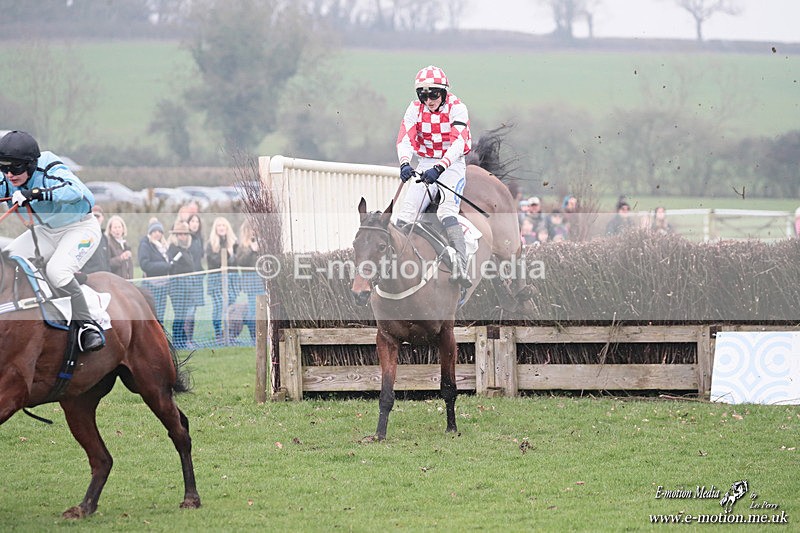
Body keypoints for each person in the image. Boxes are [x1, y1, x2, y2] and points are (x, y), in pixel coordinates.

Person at [0, 131, 105, 351]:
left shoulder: (49, 166)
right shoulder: (8, 175)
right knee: (8, 259)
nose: (10, 174)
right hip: (47, 231)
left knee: (58, 271)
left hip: (80, 227)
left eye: (16, 168)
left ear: (30, 164)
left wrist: (36, 193)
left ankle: (88, 325)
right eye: (4, 168)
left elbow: (79, 192)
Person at [395, 65, 472, 288]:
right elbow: (405, 139)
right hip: (426, 162)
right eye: (423, 94)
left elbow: (458, 143)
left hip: (453, 164)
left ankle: (461, 265)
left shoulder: (458, 108)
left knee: (446, 210)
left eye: (433, 94)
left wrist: (440, 167)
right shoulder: (413, 109)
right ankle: (395, 265)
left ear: (444, 93)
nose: (428, 100)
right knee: (407, 212)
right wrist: (405, 163)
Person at [206, 217, 239, 343]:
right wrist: (228, 254)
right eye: (219, 225)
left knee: (230, 307)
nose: (221, 228)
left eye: (223, 225)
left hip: (231, 281)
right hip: (216, 282)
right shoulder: (211, 245)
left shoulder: (234, 243)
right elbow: (215, 261)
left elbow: (236, 262)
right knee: (219, 306)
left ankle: (228, 333)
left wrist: (232, 255)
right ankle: (218, 333)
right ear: (215, 228)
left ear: (227, 228)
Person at [166, 220, 197, 349]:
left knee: (184, 315)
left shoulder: (187, 251)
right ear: (176, 236)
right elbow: (172, 267)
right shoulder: (173, 249)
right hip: (177, 286)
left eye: (185, 234)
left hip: (188, 286)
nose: (182, 237)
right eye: (180, 234)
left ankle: (183, 341)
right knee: (179, 314)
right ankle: (177, 341)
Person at [235, 219, 262, 342]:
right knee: (253, 311)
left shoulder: (262, 243)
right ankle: (254, 336)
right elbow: (241, 262)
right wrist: (251, 250)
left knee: (263, 310)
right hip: (251, 284)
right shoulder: (242, 247)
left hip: (262, 282)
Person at [138, 218, 170, 321]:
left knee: (161, 314)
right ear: (150, 232)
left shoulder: (164, 246)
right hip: (151, 285)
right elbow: (145, 264)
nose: (157, 234)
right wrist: (165, 266)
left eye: (159, 231)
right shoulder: (145, 245)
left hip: (163, 285)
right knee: (152, 315)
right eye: (155, 231)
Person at [82, 204, 111, 274]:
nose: (95, 218)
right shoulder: (84, 236)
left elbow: (107, 260)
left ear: (102, 218)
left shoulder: (104, 238)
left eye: (97, 216)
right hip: (90, 277)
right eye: (93, 216)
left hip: (104, 276)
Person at [106, 214, 134, 279]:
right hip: (116, 283)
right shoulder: (108, 244)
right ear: (110, 230)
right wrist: (121, 258)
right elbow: (108, 264)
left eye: (119, 227)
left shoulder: (126, 244)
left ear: (123, 229)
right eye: (115, 227)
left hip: (128, 282)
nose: (117, 230)